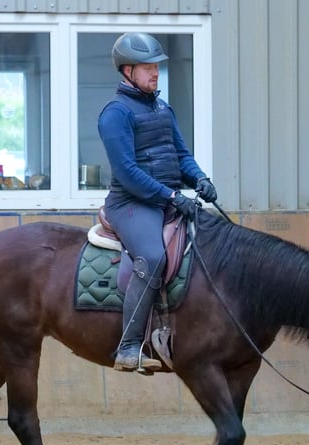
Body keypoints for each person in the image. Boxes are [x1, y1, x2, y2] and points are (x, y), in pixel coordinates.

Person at [98, 32, 218, 372]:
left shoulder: (163, 108)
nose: (155, 73)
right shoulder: (115, 114)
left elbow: (181, 154)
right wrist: (171, 195)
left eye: (156, 66)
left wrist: (200, 179)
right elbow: (129, 172)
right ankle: (129, 346)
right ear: (127, 71)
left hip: (166, 199)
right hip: (132, 204)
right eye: (147, 67)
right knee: (151, 256)